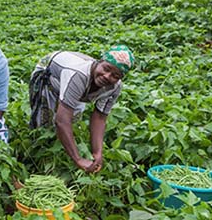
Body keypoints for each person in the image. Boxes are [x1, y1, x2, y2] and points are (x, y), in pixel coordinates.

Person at [29, 45, 135, 173]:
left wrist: (97, 152)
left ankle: (64, 149)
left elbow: (100, 117)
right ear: (99, 62)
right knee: (44, 123)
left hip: (78, 85)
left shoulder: (115, 87)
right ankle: (37, 157)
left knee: (72, 121)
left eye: (115, 75)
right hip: (50, 74)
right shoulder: (78, 74)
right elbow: (62, 121)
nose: (107, 76)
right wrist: (78, 159)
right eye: (106, 69)